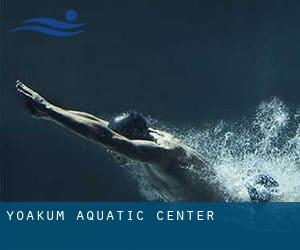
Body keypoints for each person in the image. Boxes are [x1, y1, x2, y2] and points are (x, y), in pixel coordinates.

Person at [15, 80, 277, 201]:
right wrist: (51, 113)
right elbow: (99, 126)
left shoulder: (161, 154)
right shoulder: (146, 139)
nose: (111, 151)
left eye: (115, 146)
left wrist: (48, 109)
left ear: (132, 140)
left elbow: (105, 137)